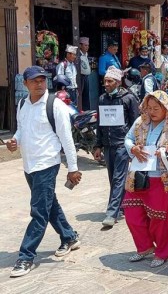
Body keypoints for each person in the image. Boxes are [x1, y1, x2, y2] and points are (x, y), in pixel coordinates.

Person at [8, 66, 82, 277]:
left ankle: (26, 256)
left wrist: (73, 168)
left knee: (39, 211)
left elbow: (67, 139)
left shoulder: (55, 105)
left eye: (42, 80)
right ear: (26, 84)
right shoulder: (23, 103)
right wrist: (15, 140)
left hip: (47, 164)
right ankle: (69, 237)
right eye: (34, 81)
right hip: (29, 165)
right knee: (49, 205)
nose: (39, 84)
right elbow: (22, 129)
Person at [123, 90, 168, 268]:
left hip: (161, 178)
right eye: (149, 108)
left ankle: (161, 252)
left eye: (156, 108)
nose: (152, 112)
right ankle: (144, 248)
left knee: (160, 220)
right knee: (132, 215)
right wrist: (133, 148)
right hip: (137, 175)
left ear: (165, 107)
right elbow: (128, 139)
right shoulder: (140, 122)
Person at [93, 67, 139, 227]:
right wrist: (97, 145)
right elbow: (99, 124)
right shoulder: (102, 99)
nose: (106, 84)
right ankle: (124, 206)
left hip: (122, 144)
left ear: (118, 82)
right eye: (105, 81)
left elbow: (135, 123)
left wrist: (134, 144)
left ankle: (112, 213)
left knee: (119, 177)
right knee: (113, 177)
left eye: (109, 81)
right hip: (107, 144)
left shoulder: (128, 98)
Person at [77, 37, 92, 110]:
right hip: (81, 77)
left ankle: (86, 111)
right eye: (85, 45)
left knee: (86, 95)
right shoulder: (78, 55)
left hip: (86, 77)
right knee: (81, 95)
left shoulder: (85, 54)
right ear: (80, 45)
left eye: (87, 45)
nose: (87, 47)